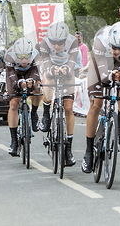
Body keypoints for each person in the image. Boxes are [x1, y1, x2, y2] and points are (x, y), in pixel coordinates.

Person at [81, 22, 120, 173]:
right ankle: (88, 151)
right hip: (99, 64)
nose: (116, 51)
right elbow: (104, 76)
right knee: (96, 104)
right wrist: (111, 76)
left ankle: (119, 123)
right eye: (114, 47)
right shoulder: (101, 41)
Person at [39, 22, 79, 166]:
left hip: (67, 68)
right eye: (54, 43)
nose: (56, 46)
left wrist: (66, 70)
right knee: (48, 79)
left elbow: (73, 63)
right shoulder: (44, 43)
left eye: (60, 43)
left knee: (68, 108)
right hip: (51, 67)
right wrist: (52, 71)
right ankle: (45, 113)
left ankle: (68, 147)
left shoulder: (73, 42)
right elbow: (45, 63)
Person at [5, 37, 42, 157]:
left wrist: (32, 80)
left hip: (30, 71)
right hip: (14, 73)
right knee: (14, 103)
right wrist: (18, 84)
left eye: (27, 56)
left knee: (37, 88)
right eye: (20, 57)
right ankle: (14, 140)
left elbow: (36, 72)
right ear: (16, 54)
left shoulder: (36, 55)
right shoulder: (9, 55)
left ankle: (34, 113)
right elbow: (11, 76)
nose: (24, 60)